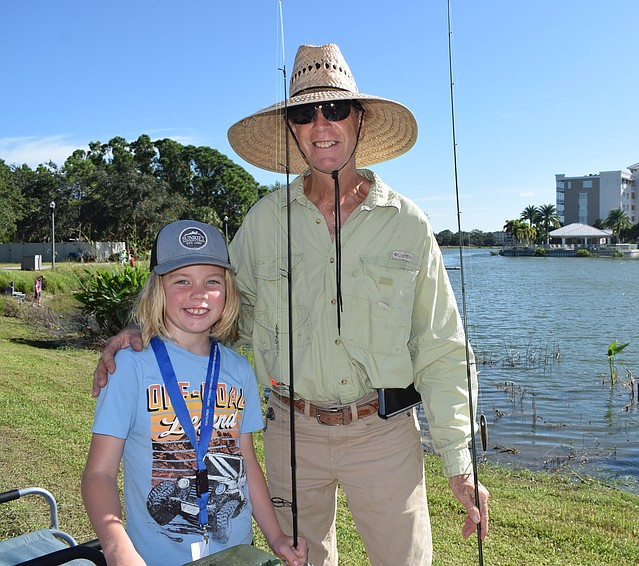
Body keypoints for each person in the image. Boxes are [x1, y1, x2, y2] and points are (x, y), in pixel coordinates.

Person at [93, 43, 489, 565]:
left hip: (385, 433)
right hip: (288, 431)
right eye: (305, 113)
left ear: (361, 122)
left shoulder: (408, 223)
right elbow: (216, 306)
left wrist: (460, 462)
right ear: (293, 131)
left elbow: (442, 347)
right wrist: (138, 334)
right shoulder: (262, 221)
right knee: (299, 559)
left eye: (336, 109)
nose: (321, 123)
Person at [82, 220, 307, 566]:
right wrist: (116, 548)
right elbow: (98, 474)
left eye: (212, 281)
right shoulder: (129, 367)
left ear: (228, 291)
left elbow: (246, 461)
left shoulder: (239, 370)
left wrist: (276, 536)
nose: (198, 294)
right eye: (182, 280)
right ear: (158, 288)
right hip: (154, 559)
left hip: (235, 553)